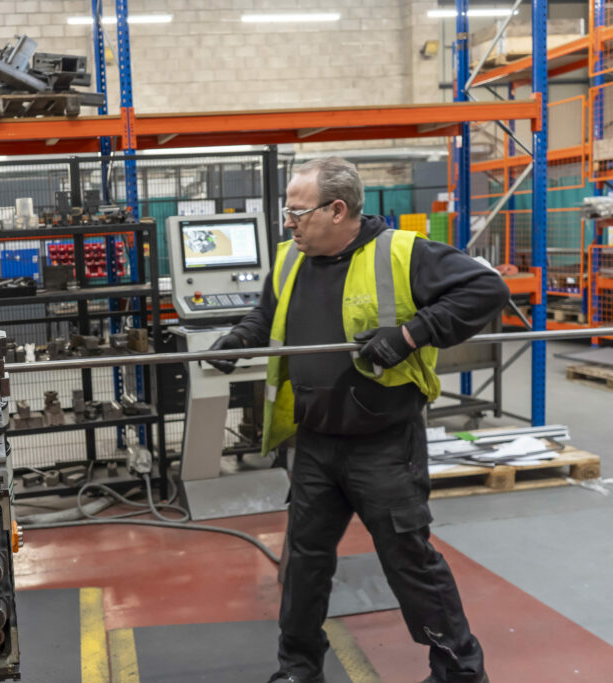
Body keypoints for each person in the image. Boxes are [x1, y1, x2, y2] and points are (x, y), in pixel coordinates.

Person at [208, 157, 506, 683]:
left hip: (384, 444)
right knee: (303, 561)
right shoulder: (289, 259)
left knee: (409, 561)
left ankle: (459, 672)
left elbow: (486, 290)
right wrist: (239, 339)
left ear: (337, 209)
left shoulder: (401, 253)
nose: (288, 224)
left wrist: (411, 334)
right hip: (317, 441)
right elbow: (268, 314)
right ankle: (298, 668)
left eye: (297, 213)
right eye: (287, 213)